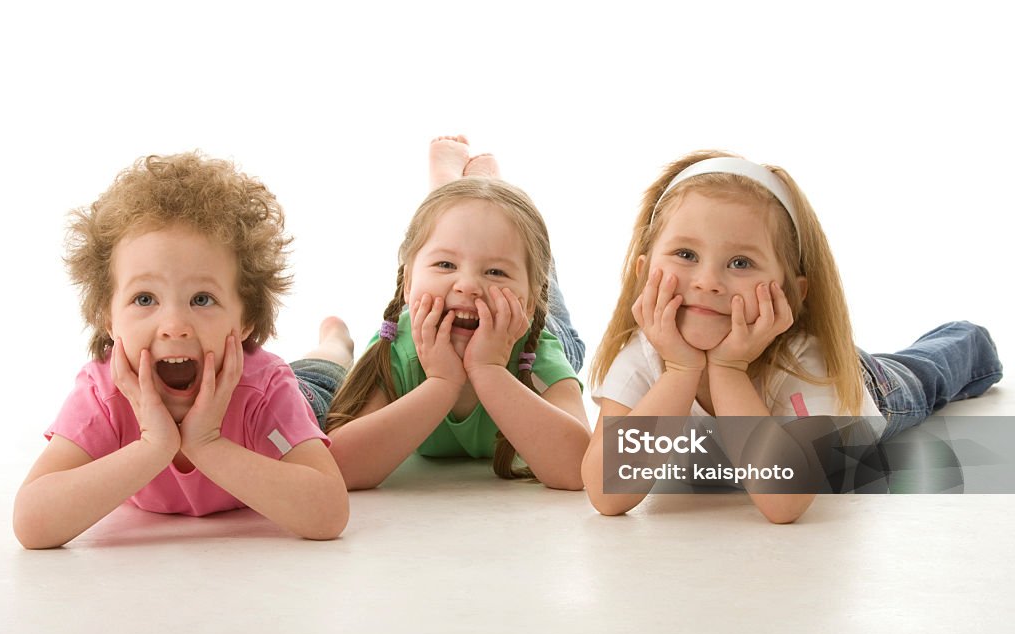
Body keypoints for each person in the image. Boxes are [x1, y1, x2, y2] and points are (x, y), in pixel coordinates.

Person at [582, 150, 1002, 522]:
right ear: (643, 273)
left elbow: (783, 504)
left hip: (869, 384)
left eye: (741, 262)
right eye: (686, 254)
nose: (708, 281)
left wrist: (728, 369)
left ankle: (969, 340)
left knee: (927, 374)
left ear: (791, 292)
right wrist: (680, 370)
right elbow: (606, 494)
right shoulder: (642, 354)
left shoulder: (805, 361)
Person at [14, 152, 349, 549]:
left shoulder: (267, 390)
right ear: (109, 318)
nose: (173, 327)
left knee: (322, 368)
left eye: (202, 299)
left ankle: (336, 342)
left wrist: (206, 443)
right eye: (144, 299)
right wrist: (153, 447)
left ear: (245, 321)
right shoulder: (102, 395)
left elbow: (329, 514)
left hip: (306, 393)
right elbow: (31, 524)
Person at [297, 137, 591, 491]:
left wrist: (490, 370)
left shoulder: (539, 352)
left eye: (495, 272)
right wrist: (442, 384)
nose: (467, 285)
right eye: (445, 263)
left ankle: (485, 192)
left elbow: (580, 469)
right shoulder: (399, 348)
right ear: (408, 285)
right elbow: (340, 466)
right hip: (489, 300)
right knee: (479, 233)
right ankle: (471, 193)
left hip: (534, 327)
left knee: (529, 263)